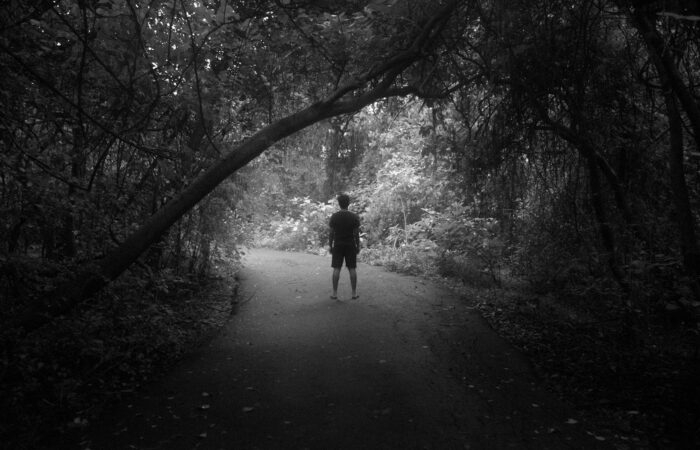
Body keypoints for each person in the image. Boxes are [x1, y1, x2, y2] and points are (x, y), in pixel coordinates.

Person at [329, 193, 360, 300]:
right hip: (350, 245)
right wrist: (358, 245)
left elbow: (331, 233)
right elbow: (356, 233)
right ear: (348, 203)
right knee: (352, 268)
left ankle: (334, 293)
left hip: (338, 245)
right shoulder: (354, 217)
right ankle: (354, 293)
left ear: (339, 204)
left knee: (336, 268)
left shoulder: (334, 216)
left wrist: (330, 245)